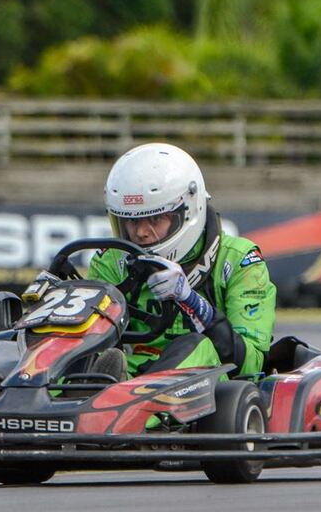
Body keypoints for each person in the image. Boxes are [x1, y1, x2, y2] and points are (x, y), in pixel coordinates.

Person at [87, 142, 277, 380]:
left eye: (155, 219)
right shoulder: (111, 261)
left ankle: (132, 401)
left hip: (212, 386)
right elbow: (91, 334)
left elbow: (251, 364)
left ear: (188, 212)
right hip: (129, 374)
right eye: (132, 222)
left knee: (197, 344)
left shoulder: (240, 260)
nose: (141, 233)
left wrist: (192, 303)